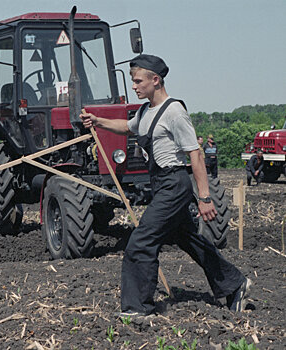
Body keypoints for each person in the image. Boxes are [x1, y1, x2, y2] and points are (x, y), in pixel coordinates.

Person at [80, 54, 250, 317]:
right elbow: (127, 127)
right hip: (160, 184)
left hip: (174, 184)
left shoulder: (174, 111)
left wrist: (204, 198)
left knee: (141, 240)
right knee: (189, 239)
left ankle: (137, 308)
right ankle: (235, 284)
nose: (134, 86)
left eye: (138, 81)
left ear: (155, 80)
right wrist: (98, 121)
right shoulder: (145, 112)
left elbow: (195, 154)